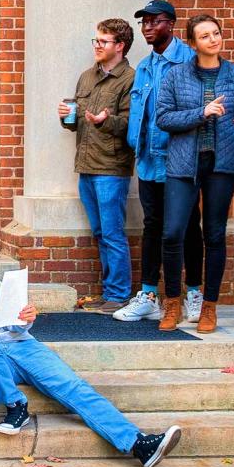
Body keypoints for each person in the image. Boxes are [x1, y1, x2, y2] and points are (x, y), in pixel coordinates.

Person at [0, 221, 182, 467]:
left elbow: (9, 315)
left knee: (73, 387)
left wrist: (23, 318)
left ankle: (138, 445)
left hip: (16, 344)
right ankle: (16, 405)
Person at [155, 14, 234, 334]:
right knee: (172, 233)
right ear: (193, 43)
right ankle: (173, 302)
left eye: (216, 33)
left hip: (221, 167)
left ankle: (209, 308)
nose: (213, 39)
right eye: (205, 36)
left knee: (214, 235)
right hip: (183, 165)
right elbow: (164, 119)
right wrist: (202, 112)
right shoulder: (176, 76)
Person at [114, 0, 206, 324]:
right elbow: (142, 115)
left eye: (155, 22)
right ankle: (149, 295)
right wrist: (135, 147)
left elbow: (198, 112)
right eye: (144, 23)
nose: (148, 28)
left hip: (180, 160)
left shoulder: (190, 63)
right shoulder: (143, 67)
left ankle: (193, 293)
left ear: (171, 24)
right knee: (152, 226)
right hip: (149, 161)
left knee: (187, 228)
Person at [56, 18, 136, 313]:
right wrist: (66, 115)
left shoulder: (130, 79)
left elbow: (132, 124)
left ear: (120, 46)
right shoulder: (86, 77)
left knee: (113, 233)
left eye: (103, 41)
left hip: (112, 169)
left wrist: (107, 121)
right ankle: (109, 291)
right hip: (87, 167)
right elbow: (76, 123)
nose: (97, 46)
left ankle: (119, 294)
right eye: (96, 41)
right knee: (100, 233)